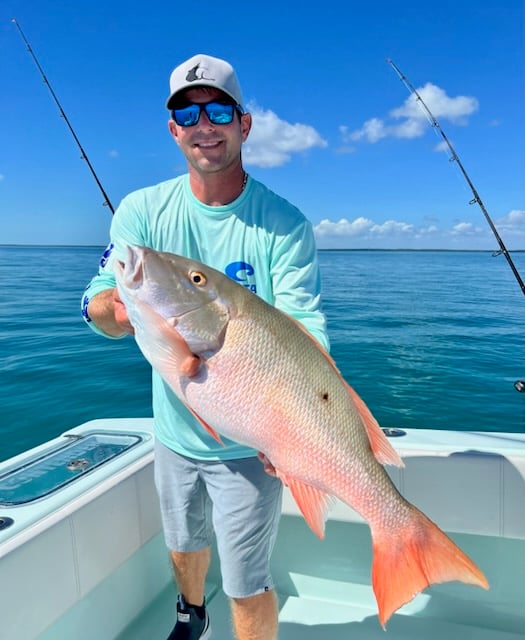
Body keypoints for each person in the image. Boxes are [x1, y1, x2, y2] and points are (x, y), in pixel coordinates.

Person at [81, 53, 329, 640]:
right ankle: (191, 614)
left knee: (248, 581)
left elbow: (304, 329)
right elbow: (95, 302)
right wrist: (118, 310)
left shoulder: (284, 224)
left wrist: (293, 430)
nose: (204, 126)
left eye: (219, 110)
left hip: (250, 440)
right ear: (174, 131)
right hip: (173, 431)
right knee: (184, 543)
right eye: (188, 116)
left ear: (244, 124)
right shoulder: (140, 212)